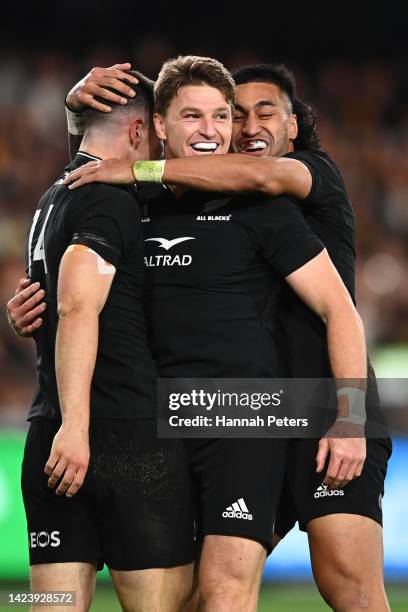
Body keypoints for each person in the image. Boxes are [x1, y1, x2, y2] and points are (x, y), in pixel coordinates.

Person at [58, 61, 392, 611]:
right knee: (194, 596)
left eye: (264, 112)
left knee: (347, 586)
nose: (244, 126)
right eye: (234, 115)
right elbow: (90, 171)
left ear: (294, 126)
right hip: (225, 412)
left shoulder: (293, 182)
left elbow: (341, 312)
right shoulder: (151, 204)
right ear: (164, 125)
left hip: (320, 407)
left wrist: (351, 418)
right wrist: (76, 114)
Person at [13, 71, 194, 612]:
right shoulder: (109, 200)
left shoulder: (53, 197)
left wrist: (65, 425)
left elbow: (50, 305)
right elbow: (76, 305)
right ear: (138, 130)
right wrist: (79, 424)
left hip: (48, 438)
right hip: (122, 436)